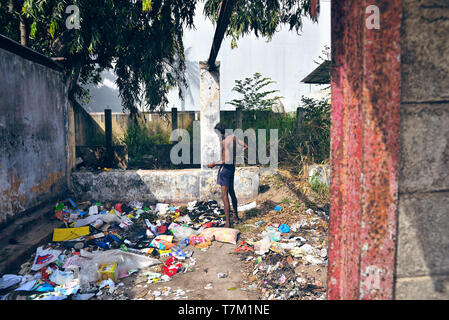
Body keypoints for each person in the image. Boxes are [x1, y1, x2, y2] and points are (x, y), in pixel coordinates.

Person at [208, 123, 248, 228]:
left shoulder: (224, 142)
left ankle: (228, 223)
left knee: (225, 196)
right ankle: (236, 217)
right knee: (232, 192)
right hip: (232, 168)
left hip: (225, 170)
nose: (217, 135)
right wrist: (236, 153)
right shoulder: (233, 138)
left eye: (217, 133)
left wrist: (214, 164)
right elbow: (245, 146)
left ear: (220, 132)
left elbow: (224, 161)